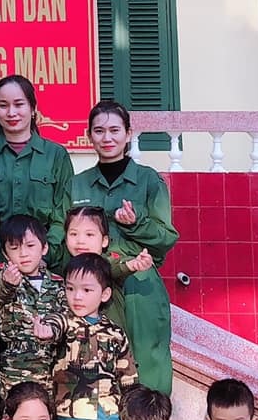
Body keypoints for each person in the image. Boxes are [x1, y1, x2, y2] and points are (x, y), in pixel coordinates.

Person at [70, 100, 180, 393]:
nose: (107, 138)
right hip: (91, 283)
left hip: (138, 283)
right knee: (94, 359)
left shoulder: (148, 180)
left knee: (147, 360)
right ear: (89, 136)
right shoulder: (78, 185)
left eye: (115, 130)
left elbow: (167, 238)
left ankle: (151, 418)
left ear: (128, 134)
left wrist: (136, 223)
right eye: (99, 131)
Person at [54, 253, 139, 420]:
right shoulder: (60, 327)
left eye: (86, 290)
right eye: (70, 289)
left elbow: (128, 379)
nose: (77, 296)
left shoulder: (115, 333)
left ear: (105, 294)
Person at [0, 75, 73, 259]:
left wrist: (46, 253)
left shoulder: (56, 155)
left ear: (33, 108)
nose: (11, 113)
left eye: (19, 104)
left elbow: (64, 213)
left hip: (42, 254)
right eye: (3, 105)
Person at [0, 216, 68, 395]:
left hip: (53, 365)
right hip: (16, 366)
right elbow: (3, 293)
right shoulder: (5, 274)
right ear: (5, 254)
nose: (23, 253)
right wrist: (9, 283)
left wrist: (53, 329)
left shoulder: (58, 282)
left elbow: (66, 315)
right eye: (14, 248)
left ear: (44, 248)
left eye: (30, 245)